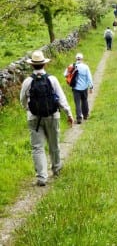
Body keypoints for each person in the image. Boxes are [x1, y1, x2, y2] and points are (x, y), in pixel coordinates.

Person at [20, 50, 74, 186]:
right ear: (44, 64)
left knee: (37, 147)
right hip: (52, 115)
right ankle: (56, 169)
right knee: (53, 144)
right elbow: (61, 98)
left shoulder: (27, 81)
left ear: (32, 65)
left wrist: (28, 109)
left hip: (33, 118)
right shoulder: (52, 79)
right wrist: (68, 114)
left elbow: (22, 100)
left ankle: (42, 177)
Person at [64, 53, 93, 124]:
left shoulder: (72, 66)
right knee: (84, 100)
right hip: (84, 87)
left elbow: (65, 74)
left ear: (76, 58)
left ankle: (79, 118)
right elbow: (89, 77)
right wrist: (91, 87)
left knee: (77, 103)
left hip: (75, 88)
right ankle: (85, 115)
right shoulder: (85, 67)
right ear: (82, 59)